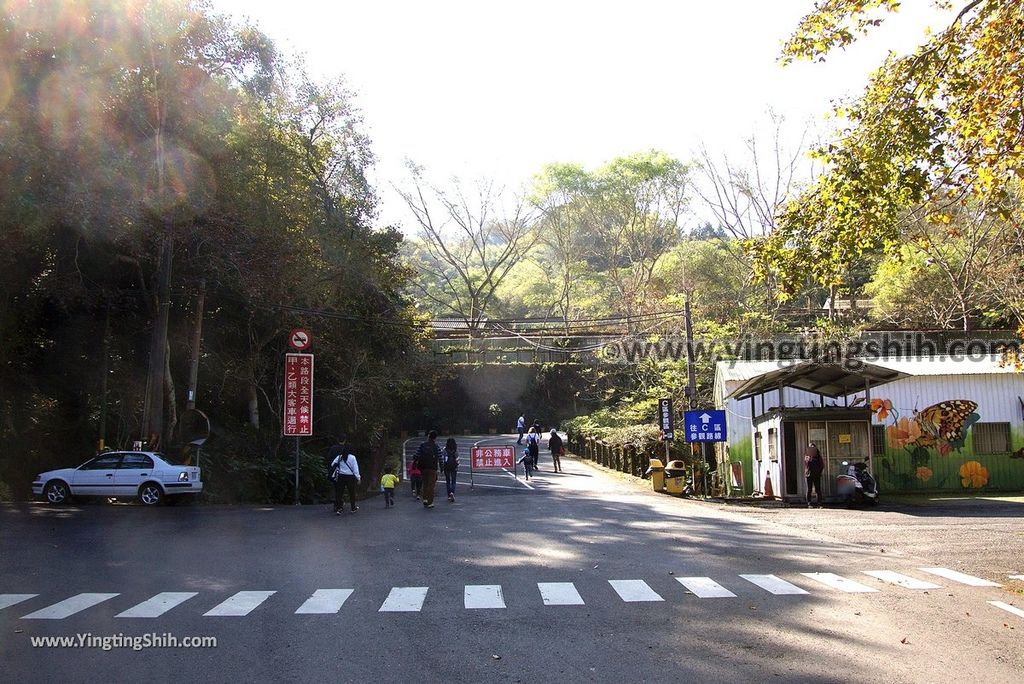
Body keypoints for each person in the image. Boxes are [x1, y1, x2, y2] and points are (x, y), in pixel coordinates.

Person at [329, 440, 361, 514]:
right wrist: (358, 478)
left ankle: (339, 508)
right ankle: (353, 508)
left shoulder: (339, 457)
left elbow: (333, 464)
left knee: (339, 493)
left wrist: (339, 468)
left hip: (341, 476)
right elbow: (355, 469)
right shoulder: (352, 458)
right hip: (350, 477)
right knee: (351, 492)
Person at [416, 430, 442, 508]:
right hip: (432, 468)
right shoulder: (436, 446)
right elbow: (440, 458)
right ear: (435, 438)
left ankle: (425, 499)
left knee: (425, 483)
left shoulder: (422, 445)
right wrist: (442, 468)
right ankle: (430, 502)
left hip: (423, 467)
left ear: (428, 436)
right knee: (431, 485)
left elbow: (417, 454)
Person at [803, 441, 824, 508]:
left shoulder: (818, 456)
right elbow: (807, 463)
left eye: (813, 448)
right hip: (809, 474)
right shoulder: (807, 456)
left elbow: (822, 465)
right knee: (809, 489)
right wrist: (810, 456)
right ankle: (809, 503)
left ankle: (819, 504)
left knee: (818, 489)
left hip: (816, 475)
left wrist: (819, 472)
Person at [443, 437, 459, 502]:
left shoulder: (445, 449)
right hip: (454, 466)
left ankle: (449, 495)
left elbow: (443, 458)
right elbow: (457, 458)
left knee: (448, 481)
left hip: (446, 466)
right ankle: (452, 492)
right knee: (453, 480)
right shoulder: (455, 450)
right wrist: (457, 465)